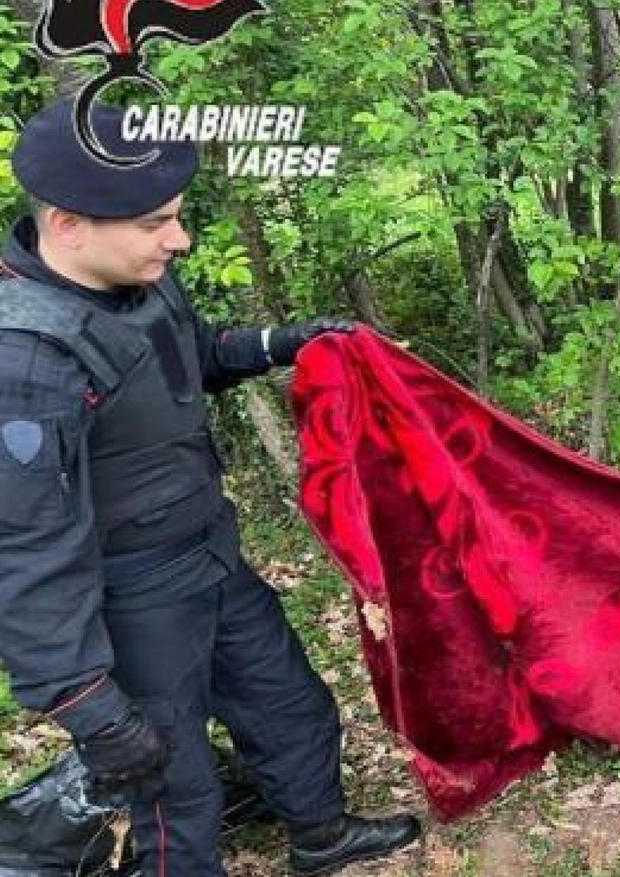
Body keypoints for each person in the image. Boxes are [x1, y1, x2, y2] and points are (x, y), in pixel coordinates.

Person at [0, 99, 420, 876]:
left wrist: (283, 344)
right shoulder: (26, 362)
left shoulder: (139, 274)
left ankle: (319, 836)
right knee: (175, 789)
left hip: (211, 555)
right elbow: (23, 553)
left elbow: (190, 356)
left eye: (177, 217)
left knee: (292, 708)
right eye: (158, 222)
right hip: (133, 599)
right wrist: (86, 702)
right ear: (68, 224)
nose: (180, 239)